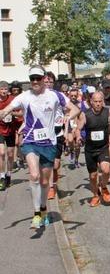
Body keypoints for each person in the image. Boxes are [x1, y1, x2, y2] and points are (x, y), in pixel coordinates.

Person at [0, 66, 80, 229]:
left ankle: (43, 209)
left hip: (49, 144)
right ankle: (36, 213)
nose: (35, 81)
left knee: (44, 182)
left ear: (44, 78)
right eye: (32, 79)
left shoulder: (55, 95)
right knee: (34, 175)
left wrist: (67, 117)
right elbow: (6, 110)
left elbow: (75, 109)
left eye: (38, 78)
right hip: (30, 141)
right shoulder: (24, 96)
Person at [74, 91, 110, 207]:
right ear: (91, 102)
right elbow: (78, 128)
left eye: (100, 101)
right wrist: (78, 136)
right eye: (95, 102)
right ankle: (95, 195)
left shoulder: (108, 112)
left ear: (103, 101)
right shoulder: (85, 114)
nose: (98, 104)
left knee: (106, 170)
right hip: (90, 149)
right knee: (93, 176)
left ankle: (104, 187)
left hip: (103, 147)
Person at [42, 72, 70, 200]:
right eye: (46, 82)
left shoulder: (59, 95)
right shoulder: (38, 96)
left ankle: (53, 183)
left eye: (50, 82)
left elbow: (70, 110)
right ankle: (51, 187)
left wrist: (66, 123)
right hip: (44, 133)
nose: (48, 84)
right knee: (48, 162)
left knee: (56, 164)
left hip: (58, 132)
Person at [0, 81, 19, 190]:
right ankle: (1, 177)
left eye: (5, 89)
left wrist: (13, 114)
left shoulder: (12, 99)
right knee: (1, 152)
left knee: (11, 154)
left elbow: (20, 112)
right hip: (0, 129)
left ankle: (8, 175)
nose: (3, 91)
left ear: (8, 90)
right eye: (1, 89)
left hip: (11, 129)